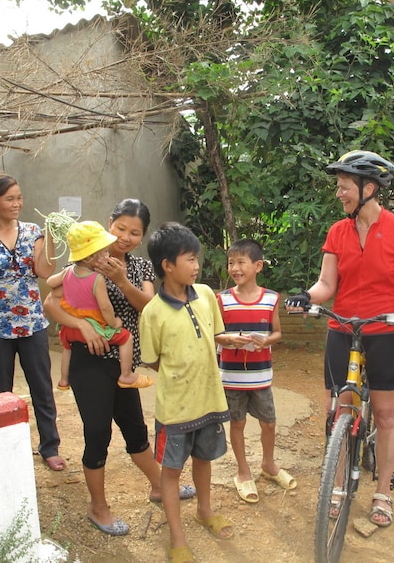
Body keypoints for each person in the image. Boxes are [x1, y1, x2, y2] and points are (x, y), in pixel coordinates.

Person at [285, 150, 394, 528]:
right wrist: (307, 296)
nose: (340, 194)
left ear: (369, 188)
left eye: (345, 187)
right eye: (339, 187)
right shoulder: (338, 231)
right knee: (339, 409)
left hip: (385, 331)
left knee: (384, 413)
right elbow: (326, 285)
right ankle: (336, 485)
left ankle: (382, 492)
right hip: (343, 330)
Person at [42, 200, 195, 537]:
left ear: (142, 236)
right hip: (88, 360)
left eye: (134, 232)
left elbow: (150, 309)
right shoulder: (86, 260)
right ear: (109, 223)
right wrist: (82, 326)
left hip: (124, 362)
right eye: (120, 228)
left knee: (135, 429)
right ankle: (98, 508)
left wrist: (122, 280)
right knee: (98, 433)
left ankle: (158, 486)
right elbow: (50, 303)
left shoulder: (138, 268)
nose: (125, 237)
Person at [140, 222, 233, 563]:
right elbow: (152, 361)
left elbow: (214, 337)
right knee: (171, 471)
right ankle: (177, 537)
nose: (197, 266)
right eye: (190, 259)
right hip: (175, 410)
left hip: (209, 401)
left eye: (197, 259)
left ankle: (204, 511)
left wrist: (234, 341)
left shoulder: (207, 295)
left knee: (204, 459)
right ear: (167, 265)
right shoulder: (152, 313)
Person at [0, 173, 66, 472]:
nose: (16, 204)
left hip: (32, 323)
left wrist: (50, 240)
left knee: (41, 389)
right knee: (1, 393)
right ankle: (4, 449)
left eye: (19, 197)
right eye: (9, 199)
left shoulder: (33, 231)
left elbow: (45, 271)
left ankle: (50, 447)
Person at [216, 238, 294, 504]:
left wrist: (266, 340)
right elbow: (215, 334)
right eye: (231, 263)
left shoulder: (270, 299)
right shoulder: (222, 300)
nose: (235, 268)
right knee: (237, 423)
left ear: (258, 266)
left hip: (261, 376)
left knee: (268, 422)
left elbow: (277, 333)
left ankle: (268, 464)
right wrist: (228, 339)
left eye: (241, 262)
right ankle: (242, 470)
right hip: (232, 377)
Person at [46, 220, 153, 390]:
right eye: (104, 252)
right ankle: (126, 375)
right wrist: (114, 323)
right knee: (126, 337)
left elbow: (51, 282)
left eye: (134, 233)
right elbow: (105, 308)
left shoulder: (68, 271)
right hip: (96, 332)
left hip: (68, 331)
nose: (107, 255)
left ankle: (64, 380)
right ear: (89, 257)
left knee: (66, 349)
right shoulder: (97, 278)